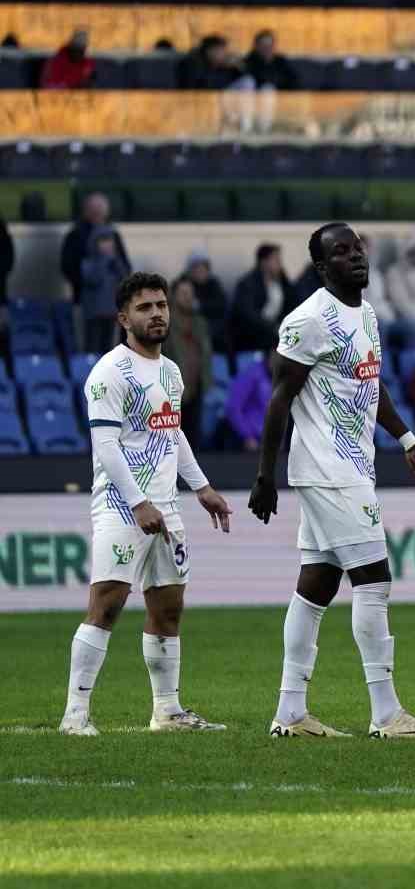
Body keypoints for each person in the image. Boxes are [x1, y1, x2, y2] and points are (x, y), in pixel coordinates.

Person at [250, 223, 415, 739]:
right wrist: (264, 475)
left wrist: (407, 441)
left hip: (353, 466)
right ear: (321, 268)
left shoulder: (368, 314)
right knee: (374, 581)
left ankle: (290, 712)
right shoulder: (309, 319)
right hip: (327, 469)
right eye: (341, 252)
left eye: (357, 248)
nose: (355, 257)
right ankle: (386, 712)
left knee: (316, 584)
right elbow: (279, 398)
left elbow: (371, 383)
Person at [59, 273, 233, 736]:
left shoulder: (171, 372)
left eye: (161, 305)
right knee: (108, 604)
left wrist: (202, 488)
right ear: (123, 318)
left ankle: (168, 711)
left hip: (166, 507)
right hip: (122, 506)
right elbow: (106, 446)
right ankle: (75, 716)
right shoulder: (110, 372)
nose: (156, 313)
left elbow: (172, 434)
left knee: (168, 608)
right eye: (144, 307)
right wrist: (137, 502)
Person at [165, 277, 213, 447]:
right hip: (172, 391)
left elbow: (206, 353)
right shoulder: (165, 324)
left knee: (193, 443)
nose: (188, 297)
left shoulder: (200, 322)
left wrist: (207, 381)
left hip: (197, 387)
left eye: (191, 293)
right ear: (174, 296)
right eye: (183, 293)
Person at [60, 192, 129, 303]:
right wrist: (87, 281)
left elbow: (125, 267)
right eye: (92, 208)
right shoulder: (74, 236)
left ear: (106, 211)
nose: (96, 211)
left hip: (112, 302)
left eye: (100, 207)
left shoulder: (113, 234)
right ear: (85, 211)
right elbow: (67, 267)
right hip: (84, 300)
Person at [228, 243, 289, 354]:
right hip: (250, 337)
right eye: (275, 259)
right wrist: (274, 328)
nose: (279, 263)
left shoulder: (282, 282)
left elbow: (292, 305)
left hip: (274, 334)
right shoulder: (248, 284)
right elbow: (248, 315)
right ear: (264, 262)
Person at [80, 226, 131, 354]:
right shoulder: (88, 263)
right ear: (94, 243)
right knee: (93, 347)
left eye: (109, 241)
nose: (107, 244)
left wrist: (116, 262)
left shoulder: (116, 262)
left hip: (111, 312)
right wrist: (104, 261)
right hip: (94, 314)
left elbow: (125, 278)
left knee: (108, 347)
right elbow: (93, 279)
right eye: (102, 241)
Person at [179, 252, 229, 351]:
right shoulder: (184, 284)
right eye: (197, 268)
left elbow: (221, 305)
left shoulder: (214, 284)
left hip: (213, 333)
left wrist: (200, 306)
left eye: (203, 268)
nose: (201, 271)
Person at [225, 354, 271, 449]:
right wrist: (247, 436)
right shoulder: (251, 373)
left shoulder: (282, 377)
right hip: (248, 441)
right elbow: (233, 407)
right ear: (273, 353)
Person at [176, 36, 246, 91]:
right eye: (221, 51)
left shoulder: (223, 65)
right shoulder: (192, 63)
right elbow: (206, 86)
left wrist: (237, 67)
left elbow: (241, 79)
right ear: (210, 51)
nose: (225, 54)